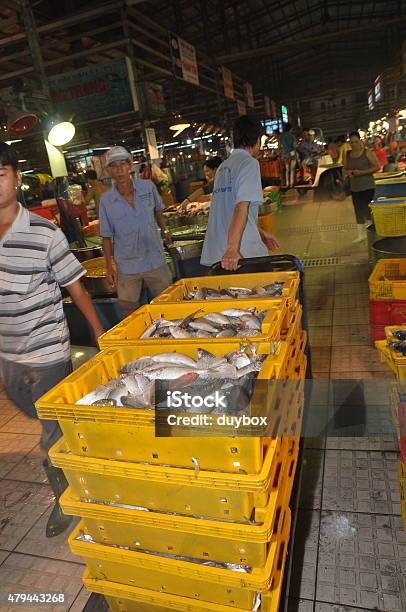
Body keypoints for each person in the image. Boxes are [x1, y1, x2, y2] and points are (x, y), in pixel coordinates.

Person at [0, 142, 104, 537]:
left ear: (16, 178)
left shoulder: (45, 233)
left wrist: (97, 329)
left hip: (47, 352)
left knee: (49, 428)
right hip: (9, 353)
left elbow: (76, 288)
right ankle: (72, 437)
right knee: (34, 411)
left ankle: (66, 498)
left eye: (1, 175)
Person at [99, 146, 173, 318]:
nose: (119, 170)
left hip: (155, 258)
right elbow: (106, 236)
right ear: (108, 170)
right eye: (114, 166)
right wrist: (109, 267)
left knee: (169, 304)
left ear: (130, 166)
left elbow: (158, 210)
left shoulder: (148, 187)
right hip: (127, 265)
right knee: (129, 311)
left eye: (123, 164)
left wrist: (164, 230)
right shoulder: (106, 201)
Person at [200, 115, 279, 271]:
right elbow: (240, 207)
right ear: (257, 139)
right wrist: (232, 248)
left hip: (219, 256)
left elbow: (230, 211)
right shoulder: (249, 163)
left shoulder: (223, 167)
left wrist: (261, 233)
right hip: (241, 256)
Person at [344, 131, 380, 243]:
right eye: (351, 142)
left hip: (367, 186)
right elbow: (344, 168)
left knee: (368, 211)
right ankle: (361, 235)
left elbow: (377, 166)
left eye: (356, 142)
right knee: (358, 211)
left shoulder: (367, 152)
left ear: (360, 141)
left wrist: (362, 172)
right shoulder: (347, 154)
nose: (354, 144)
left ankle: (370, 235)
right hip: (355, 188)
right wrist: (348, 172)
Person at [279, 123, 297, 188]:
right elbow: (294, 146)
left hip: (285, 155)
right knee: (292, 169)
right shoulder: (292, 136)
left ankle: (287, 183)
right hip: (292, 154)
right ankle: (291, 184)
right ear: (290, 129)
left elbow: (280, 146)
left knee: (287, 169)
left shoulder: (281, 136)